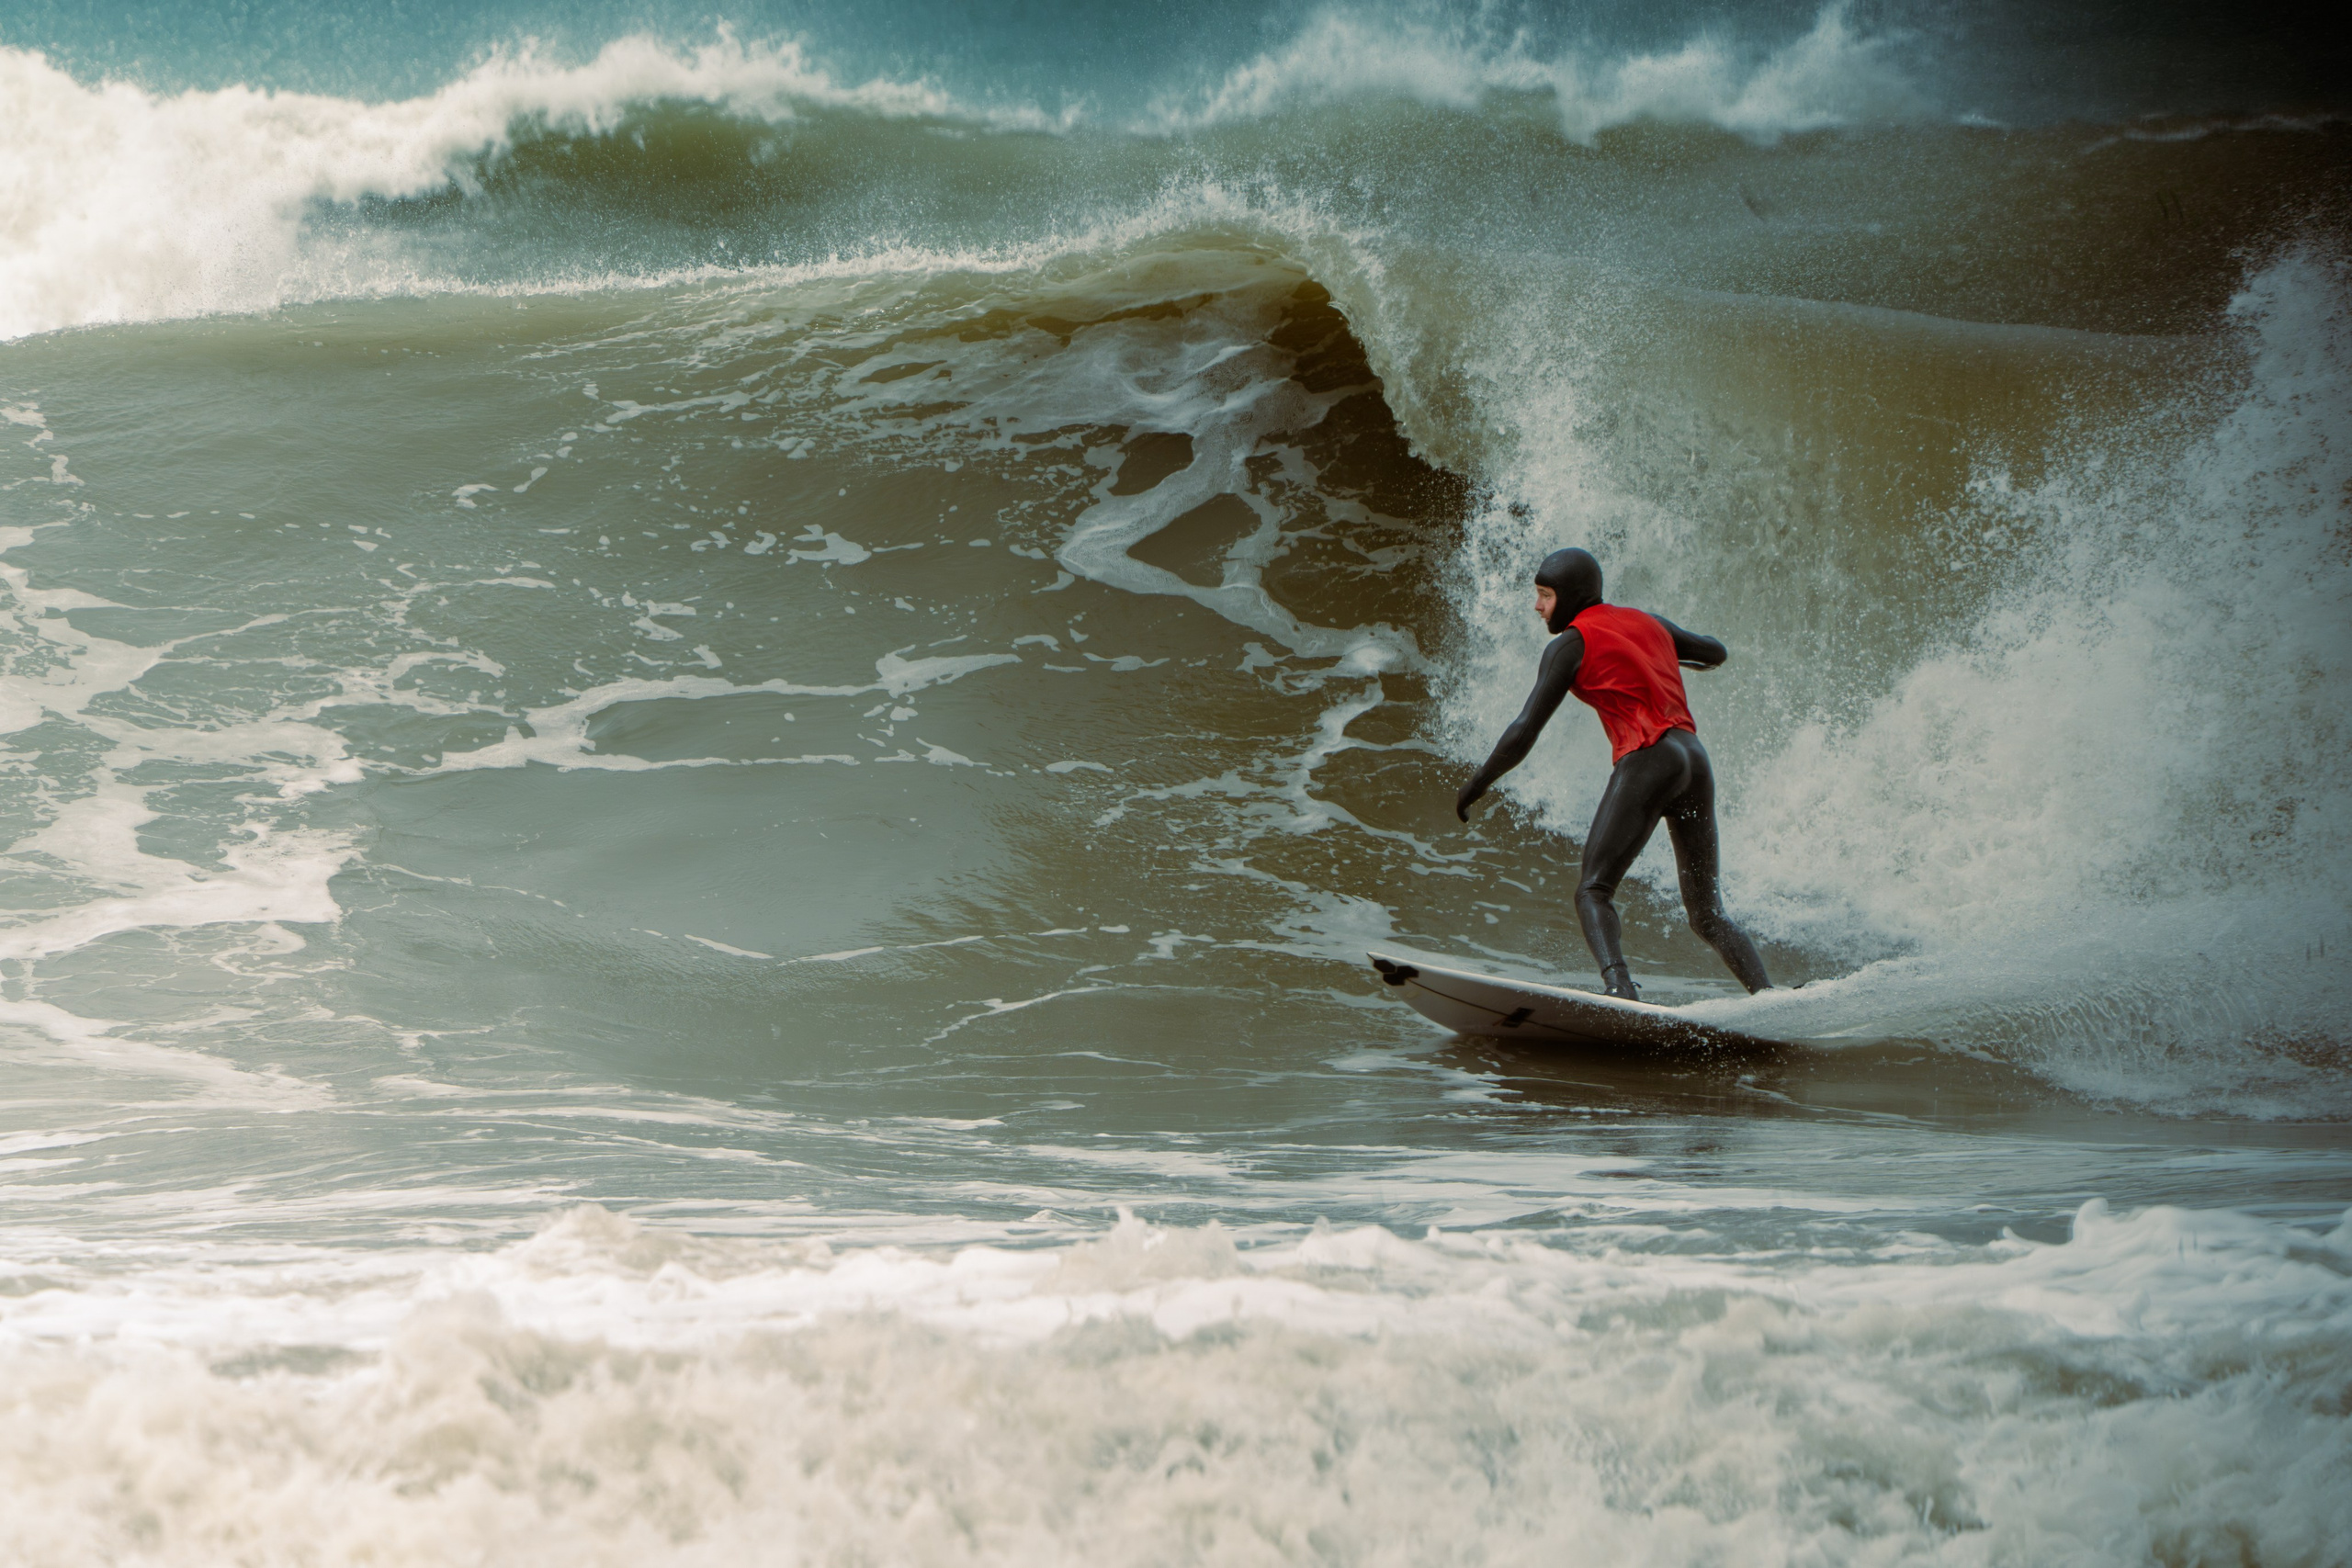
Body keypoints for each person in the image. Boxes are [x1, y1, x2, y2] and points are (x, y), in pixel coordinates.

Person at [1453, 547, 1771, 1003]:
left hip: (1649, 759)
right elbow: (1714, 653)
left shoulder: (1570, 643)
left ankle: (1620, 988)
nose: (1538, 606)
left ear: (1570, 597)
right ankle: (1766, 997)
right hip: (1694, 760)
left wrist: (1476, 785)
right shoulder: (1649, 623)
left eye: (1545, 596)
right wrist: (1654, 649)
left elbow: (1523, 731)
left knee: (1593, 890)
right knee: (1707, 914)